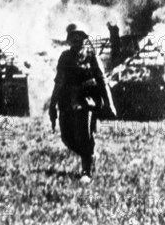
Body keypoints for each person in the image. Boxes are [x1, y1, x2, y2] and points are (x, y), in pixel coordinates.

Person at [49, 24, 117, 184]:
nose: (76, 40)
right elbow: (58, 81)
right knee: (66, 137)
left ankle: (86, 170)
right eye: (73, 37)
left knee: (84, 136)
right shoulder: (64, 57)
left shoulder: (92, 56)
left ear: (84, 38)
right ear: (70, 40)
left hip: (87, 100)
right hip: (67, 100)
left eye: (79, 36)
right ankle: (90, 154)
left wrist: (110, 103)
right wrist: (53, 104)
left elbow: (102, 80)